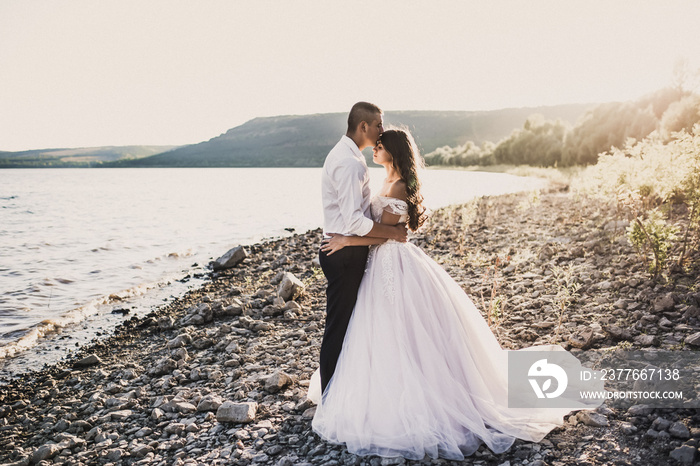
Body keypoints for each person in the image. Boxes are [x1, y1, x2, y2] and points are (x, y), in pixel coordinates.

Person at [307, 128, 598, 460]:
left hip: (391, 263)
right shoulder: (385, 182)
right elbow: (387, 230)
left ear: (395, 152)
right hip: (383, 264)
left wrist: (345, 240)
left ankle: (422, 396)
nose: (375, 148)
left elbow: (385, 236)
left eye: (381, 146)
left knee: (402, 329)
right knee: (381, 329)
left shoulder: (400, 186)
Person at [318, 102, 408, 396]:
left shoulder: (351, 157)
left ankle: (347, 392)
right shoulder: (350, 162)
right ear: (363, 127)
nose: (383, 131)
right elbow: (355, 222)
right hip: (343, 253)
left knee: (351, 325)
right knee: (339, 327)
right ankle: (332, 396)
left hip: (349, 249)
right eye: (379, 125)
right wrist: (394, 232)